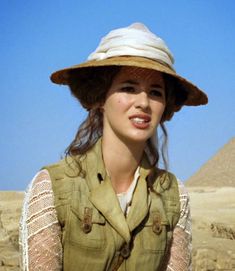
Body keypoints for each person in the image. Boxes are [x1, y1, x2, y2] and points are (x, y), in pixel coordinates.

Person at [19, 23, 208, 271]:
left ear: (166, 106)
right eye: (128, 88)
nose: (143, 102)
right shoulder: (52, 188)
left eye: (155, 92)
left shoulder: (173, 195)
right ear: (100, 96)